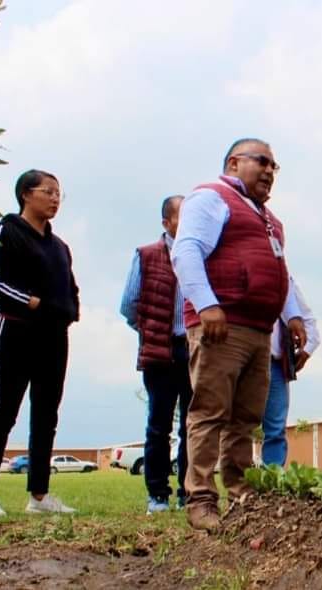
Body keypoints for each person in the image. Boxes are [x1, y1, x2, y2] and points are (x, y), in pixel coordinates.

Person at [171, 138, 306, 531]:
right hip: (221, 325)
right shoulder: (210, 198)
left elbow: (282, 272)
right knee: (210, 411)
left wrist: (293, 315)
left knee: (245, 418)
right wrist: (207, 303)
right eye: (262, 162)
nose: (269, 171)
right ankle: (200, 499)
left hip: (260, 330)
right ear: (234, 162)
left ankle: (240, 491)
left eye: (274, 166)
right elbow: (188, 250)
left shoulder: (269, 218)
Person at [0, 169, 79, 520]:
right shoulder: (7, 230)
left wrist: (70, 311)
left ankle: (39, 495)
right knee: (4, 409)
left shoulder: (60, 246)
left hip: (54, 338)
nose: (55, 198)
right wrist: (31, 303)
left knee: (46, 414)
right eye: (48, 191)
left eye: (59, 193)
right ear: (26, 194)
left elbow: (69, 288)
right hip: (15, 331)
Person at [120, 195, 193, 513]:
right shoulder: (147, 255)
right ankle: (158, 495)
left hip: (195, 349)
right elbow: (129, 305)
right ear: (167, 223)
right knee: (158, 424)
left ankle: (189, 492)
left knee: (194, 424)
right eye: (183, 215)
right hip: (161, 348)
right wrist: (151, 331)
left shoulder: (202, 253)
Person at [261, 277, 320, 467]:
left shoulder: (284, 279)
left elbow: (308, 321)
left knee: (275, 429)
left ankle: (271, 483)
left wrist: (307, 349)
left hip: (275, 363)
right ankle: (239, 484)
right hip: (243, 360)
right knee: (238, 426)